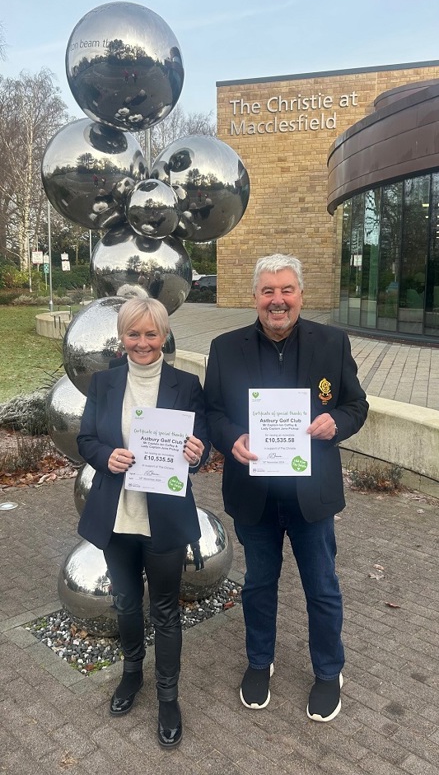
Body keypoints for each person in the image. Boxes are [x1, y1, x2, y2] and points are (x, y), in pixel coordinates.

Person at [204, 254, 368, 722]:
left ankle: (329, 671)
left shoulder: (332, 343)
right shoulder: (225, 347)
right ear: (255, 297)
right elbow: (213, 410)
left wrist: (334, 421)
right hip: (254, 493)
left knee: (322, 587)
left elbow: (357, 405)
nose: (278, 300)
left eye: (286, 290)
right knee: (258, 584)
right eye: (268, 291)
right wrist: (231, 437)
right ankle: (260, 662)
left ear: (300, 294)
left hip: (310, 495)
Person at [77, 296, 209, 748]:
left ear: (164, 335)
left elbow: (202, 444)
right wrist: (103, 455)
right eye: (134, 333)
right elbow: (86, 437)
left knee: (166, 611)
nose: (143, 342)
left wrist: (197, 454)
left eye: (151, 334)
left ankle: (168, 695)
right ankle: (132, 673)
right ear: (122, 337)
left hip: (164, 519)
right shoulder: (104, 384)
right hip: (118, 516)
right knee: (127, 605)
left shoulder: (186, 384)